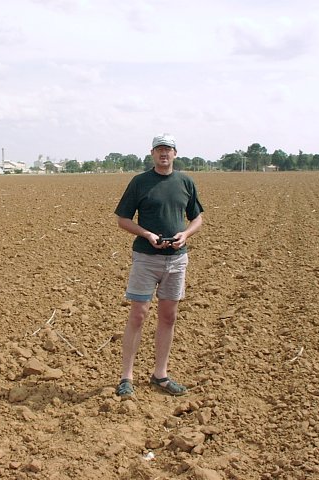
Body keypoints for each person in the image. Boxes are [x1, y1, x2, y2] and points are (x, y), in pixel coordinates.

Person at [113, 133, 204, 397]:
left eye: (168, 149)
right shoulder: (140, 182)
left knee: (168, 316)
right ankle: (126, 377)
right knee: (138, 314)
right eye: (159, 149)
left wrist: (185, 235)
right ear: (152, 154)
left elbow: (197, 218)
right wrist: (147, 235)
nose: (164, 154)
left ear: (175, 153)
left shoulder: (185, 181)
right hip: (146, 258)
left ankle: (160, 374)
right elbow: (123, 219)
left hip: (176, 260)